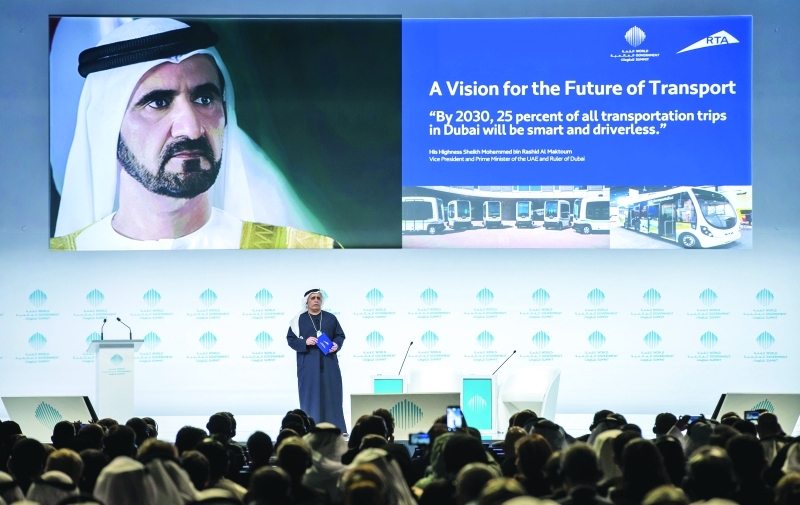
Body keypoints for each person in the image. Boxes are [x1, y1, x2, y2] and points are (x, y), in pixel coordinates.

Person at [51, 17, 333, 250]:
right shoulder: (54, 268)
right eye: (158, 103)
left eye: (204, 99)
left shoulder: (305, 257)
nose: (191, 128)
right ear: (109, 126)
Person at [287, 289, 347, 432]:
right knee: (310, 396)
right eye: (312, 298)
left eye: (318, 298)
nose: (316, 300)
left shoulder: (330, 318)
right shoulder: (298, 320)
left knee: (332, 395)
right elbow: (290, 339)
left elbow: (340, 335)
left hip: (329, 363)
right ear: (306, 301)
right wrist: (305, 342)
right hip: (308, 364)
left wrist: (336, 344)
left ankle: (335, 428)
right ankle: (311, 428)